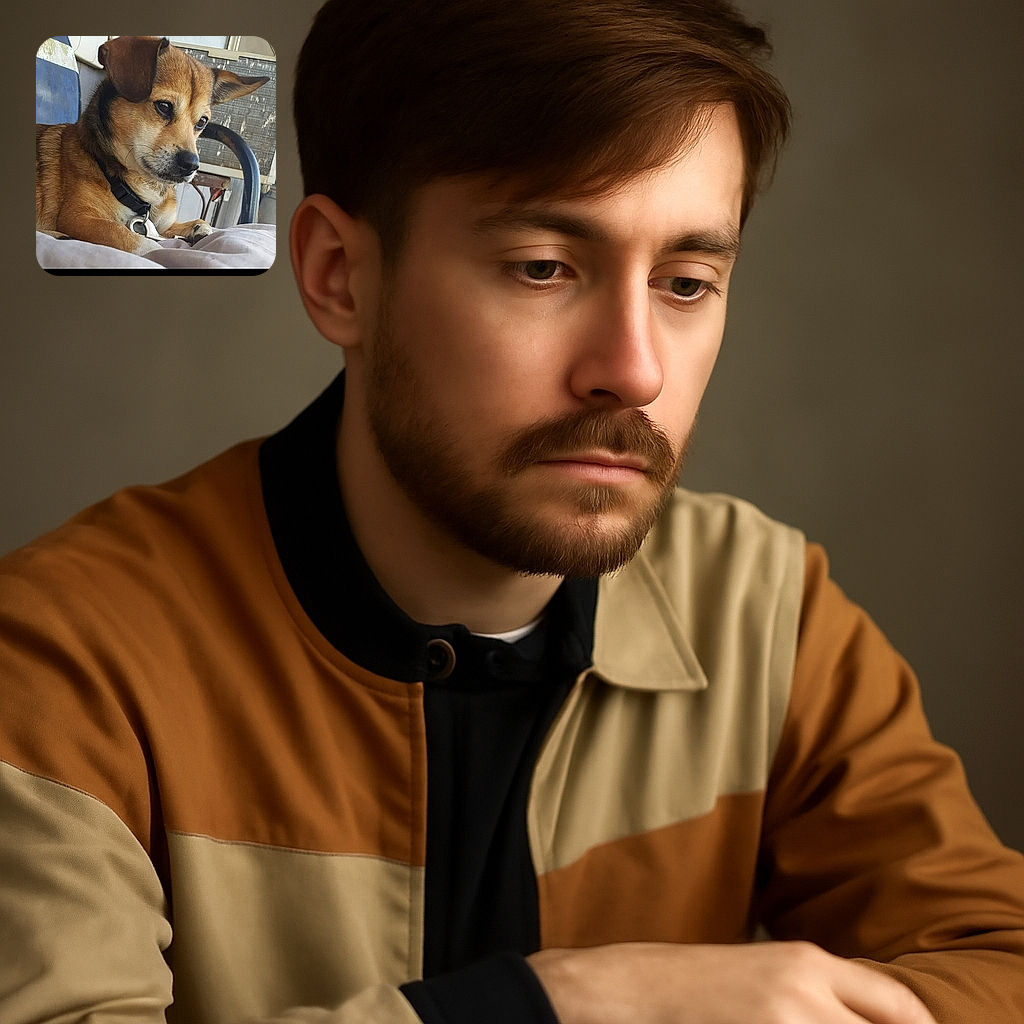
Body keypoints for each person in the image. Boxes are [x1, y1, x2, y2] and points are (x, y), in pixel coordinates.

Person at [2, 1, 1022, 1021]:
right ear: (337, 276)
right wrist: (562, 1008)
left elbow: (997, 961)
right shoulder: (63, 657)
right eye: (543, 267)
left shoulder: (772, 620)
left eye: (687, 281)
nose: (632, 369)